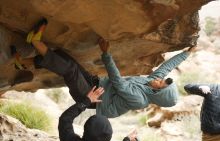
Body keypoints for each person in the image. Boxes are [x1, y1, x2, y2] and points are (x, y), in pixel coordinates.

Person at [26, 18, 195, 119]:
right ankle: (25, 63)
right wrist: (186, 54)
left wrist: (105, 53)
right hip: (99, 86)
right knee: (68, 58)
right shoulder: (152, 82)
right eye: (163, 80)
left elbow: (118, 82)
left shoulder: (139, 100)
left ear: (159, 93)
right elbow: (166, 67)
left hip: (93, 98)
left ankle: (35, 41)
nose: (160, 79)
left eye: (162, 84)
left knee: (70, 70)